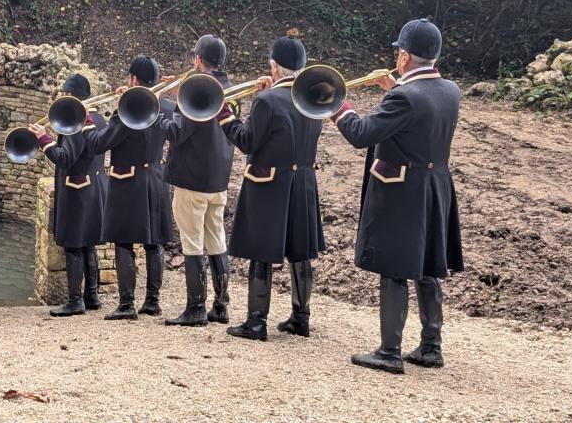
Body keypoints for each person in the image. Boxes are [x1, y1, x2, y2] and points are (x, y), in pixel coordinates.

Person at [330, 18, 464, 374]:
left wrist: (336, 104)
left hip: (403, 190)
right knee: (427, 266)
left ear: (404, 57)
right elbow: (417, 114)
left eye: (398, 53)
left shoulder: (404, 96)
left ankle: (389, 351)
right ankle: (431, 347)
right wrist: (393, 87)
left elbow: (361, 134)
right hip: (436, 186)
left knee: (393, 267)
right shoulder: (450, 90)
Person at [219, 37, 324, 341]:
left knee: (261, 251)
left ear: (274, 66)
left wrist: (225, 115)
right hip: (303, 183)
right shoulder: (313, 99)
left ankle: (256, 322)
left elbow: (247, 141)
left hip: (269, 183)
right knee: (300, 251)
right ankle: (300, 318)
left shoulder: (266, 101)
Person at [83, 56, 174, 320]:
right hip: (156, 177)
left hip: (128, 181)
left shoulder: (127, 110)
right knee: (154, 242)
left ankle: (126, 305)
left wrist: (87, 120)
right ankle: (152, 302)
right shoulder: (168, 107)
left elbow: (98, 143)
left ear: (133, 79)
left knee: (123, 241)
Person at [159, 35, 236, 327]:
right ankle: (221, 305)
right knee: (216, 240)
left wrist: (160, 108)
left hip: (191, 178)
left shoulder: (196, 89)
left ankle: (195, 308)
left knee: (192, 243)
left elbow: (177, 132)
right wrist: (180, 94)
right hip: (218, 178)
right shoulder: (231, 89)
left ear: (198, 59)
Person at [28, 74, 108, 317]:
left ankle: (75, 301)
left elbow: (65, 158)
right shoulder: (99, 119)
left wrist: (44, 139)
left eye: (64, 93)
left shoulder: (76, 119)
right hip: (95, 188)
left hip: (77, 190)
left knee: (73, 245)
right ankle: (91, 296)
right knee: (89, 245)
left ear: (70, 95)